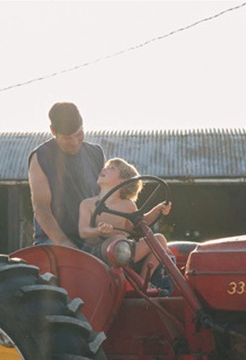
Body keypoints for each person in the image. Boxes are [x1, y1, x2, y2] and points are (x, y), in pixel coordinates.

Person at [78, 158, 173, 293]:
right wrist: (98, 230)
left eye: (111, 168)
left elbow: (138, 226)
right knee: (118, 239)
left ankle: (143, 283)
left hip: (123, 251)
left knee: (159, 240)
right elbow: (83, 231)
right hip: (95, 252)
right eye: (105, 167)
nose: (104, 169)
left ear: (122, 181)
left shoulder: (128, 205)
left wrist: (158, 210)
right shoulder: (87, 204)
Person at [28, 102, 105, 248]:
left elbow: (107, 198)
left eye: (79, 134)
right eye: (67, 138)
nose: (75, 142)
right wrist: (64, 242)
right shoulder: (41, 157)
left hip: (91, 236)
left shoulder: (97, 154)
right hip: (55, 240)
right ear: (52, 131)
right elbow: (41, 207)